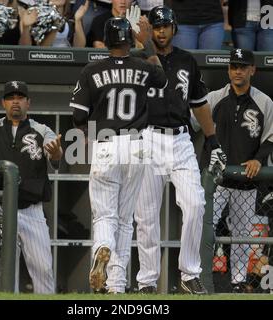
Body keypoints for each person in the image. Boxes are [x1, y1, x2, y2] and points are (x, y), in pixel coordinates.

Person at [120, 5, 226, 294]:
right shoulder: (137, 58)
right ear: (150, 30)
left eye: (165, 26)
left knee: (195, 205)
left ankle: (189, 273)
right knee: (146, 215)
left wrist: (213, 139)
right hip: (148, 138)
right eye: (156, 26)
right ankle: (147, 281)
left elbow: (200, 103)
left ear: (174, 28)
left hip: (180, 140)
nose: (161, 31)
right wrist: (140, 42)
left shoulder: (187, 61)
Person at [69, 16, 167, 294]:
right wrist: (146, 43)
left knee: (104, 217)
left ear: (107, 40)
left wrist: (91, 134)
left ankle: (103, 248)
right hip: (136, 145)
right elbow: (162, 79)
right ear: (127, 40)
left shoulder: (92, 69)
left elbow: (78, 115)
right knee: (125, 220)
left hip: (106, 143)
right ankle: (116, 284)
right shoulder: (142, 65)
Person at [0, 80, 63, 293]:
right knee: (7, 275)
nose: (15, 102)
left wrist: (56, 152)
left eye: (20, 98)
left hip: (32, 211)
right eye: (11, 98)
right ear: (3, 103)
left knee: (44, 270)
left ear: (29, 103)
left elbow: (54, 156)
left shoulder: (41, 129)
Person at [203, 49, 273, 292]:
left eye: (243, 66)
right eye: (234, 66)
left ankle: (239, 282)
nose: (238, 71)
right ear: (228, 69)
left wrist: (258, 159)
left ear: (253, 69)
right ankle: (199, 278)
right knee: (204, 227)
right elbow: (195, 121)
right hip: (217, 180)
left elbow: (271, 137)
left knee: (242, 234)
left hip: (246, 179)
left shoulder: (264, 102)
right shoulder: (214, 98)